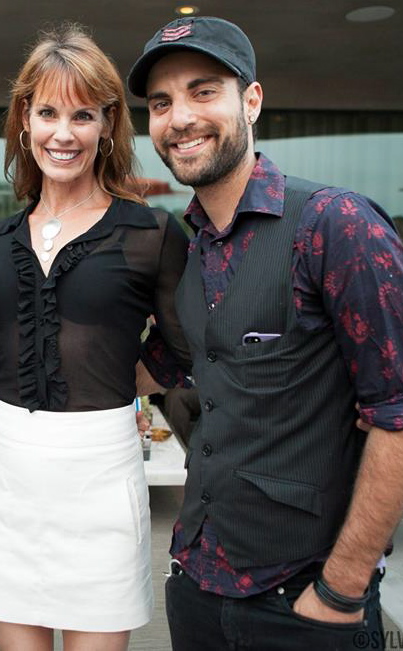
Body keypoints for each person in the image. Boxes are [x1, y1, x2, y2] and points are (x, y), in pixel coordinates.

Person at [127, 16, 403, 651]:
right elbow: (168, 365)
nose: (180, 117)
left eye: (203, 91)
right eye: (163, 103)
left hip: (302, 602)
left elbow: (395, 413)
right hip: (197, 587)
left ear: (251, 101)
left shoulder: (335, 225)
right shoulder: (192, 248)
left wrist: (341, 589)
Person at [0, 24, 191, 651]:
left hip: (99, 471)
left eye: (82, 115)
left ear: (107, 124)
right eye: (47, 113)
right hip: (3, 473)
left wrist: (128, 380)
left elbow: (184, 348)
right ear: (24, 120)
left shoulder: (151, 234)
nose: (63, 134)